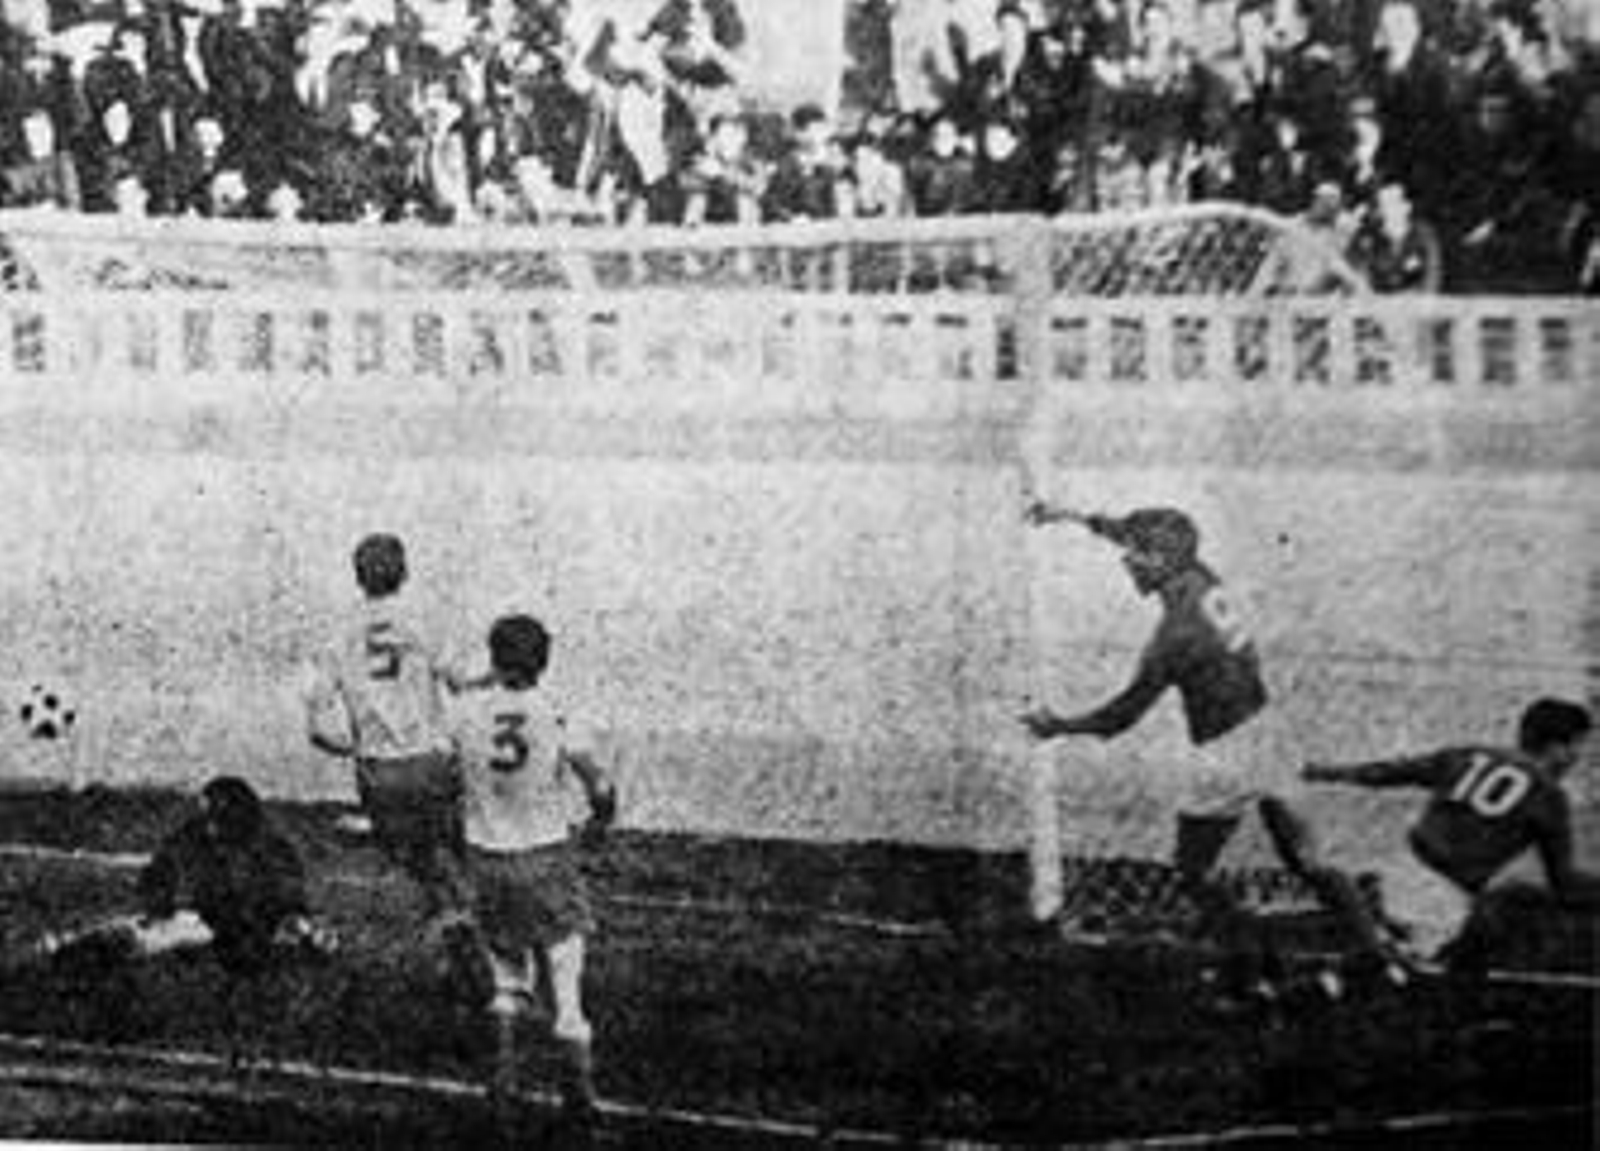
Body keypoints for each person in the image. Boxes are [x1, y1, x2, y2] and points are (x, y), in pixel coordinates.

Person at [1019, 505, 1282, 994]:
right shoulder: (1203, 576)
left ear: (1162, 560)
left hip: (1229, 753)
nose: (1127, 562)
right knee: (1310, 861)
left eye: (1137, 554)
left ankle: (1250, 970)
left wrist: (1057, 725)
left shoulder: (1175, 635)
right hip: (1269, 730)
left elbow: (1121, 717)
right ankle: (1381, 955)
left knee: (1192, 871)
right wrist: (1069, 516)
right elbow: (1126, 530)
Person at [448, 614, 616, 1133]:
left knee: (505, 983)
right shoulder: (558, 713)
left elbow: (445, 771)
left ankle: (502, 1095)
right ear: (544, 660)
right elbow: (599, 783)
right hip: (545, 857)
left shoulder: (464, 713)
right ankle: (580, 1105)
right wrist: (601, 819)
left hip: (486, 859)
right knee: (566, 990)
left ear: (493, 657)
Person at [1301, 698, 1598, 975]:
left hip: (1395, 871)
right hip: (1439, 902)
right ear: (1558, 748)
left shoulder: (1469, 755)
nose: (1577, 758)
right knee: (1510, 902)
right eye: (1578, 747)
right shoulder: (1550, 796)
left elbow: (1387, 772)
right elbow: (1564, 881)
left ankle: (1370, 936)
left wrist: (1325, 772)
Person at [305, 533, 469, 932]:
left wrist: (352, 747)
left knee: (413, 861)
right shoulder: (424, 621)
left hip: (377, 769)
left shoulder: (339, 632)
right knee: (455, 851)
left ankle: (443, 919)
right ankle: (465, 921)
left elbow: (318, 725)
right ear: (405, 572)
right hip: (429, 759)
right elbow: (461, 683)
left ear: (358, 577)